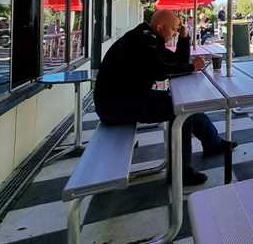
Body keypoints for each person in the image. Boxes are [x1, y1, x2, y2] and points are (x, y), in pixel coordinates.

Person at [93, 9, 231, 186]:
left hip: (125, 99)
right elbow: (160, 72)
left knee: (185, 104)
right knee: (182, 111)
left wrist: (184, 36)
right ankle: (181, 173)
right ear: (160, 26)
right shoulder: (142, 41)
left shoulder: (148, 37)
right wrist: (192, 68)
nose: (175, 32)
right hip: (116, 107)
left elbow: (175, 62)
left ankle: (213, 143)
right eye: (174, 29)